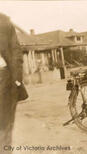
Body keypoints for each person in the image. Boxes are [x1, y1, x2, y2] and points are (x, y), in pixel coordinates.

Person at [0, 13, 25, 153]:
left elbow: (16, 50)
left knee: (3, 126)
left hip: (3, 78)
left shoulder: (4, 22)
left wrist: (16, 79)